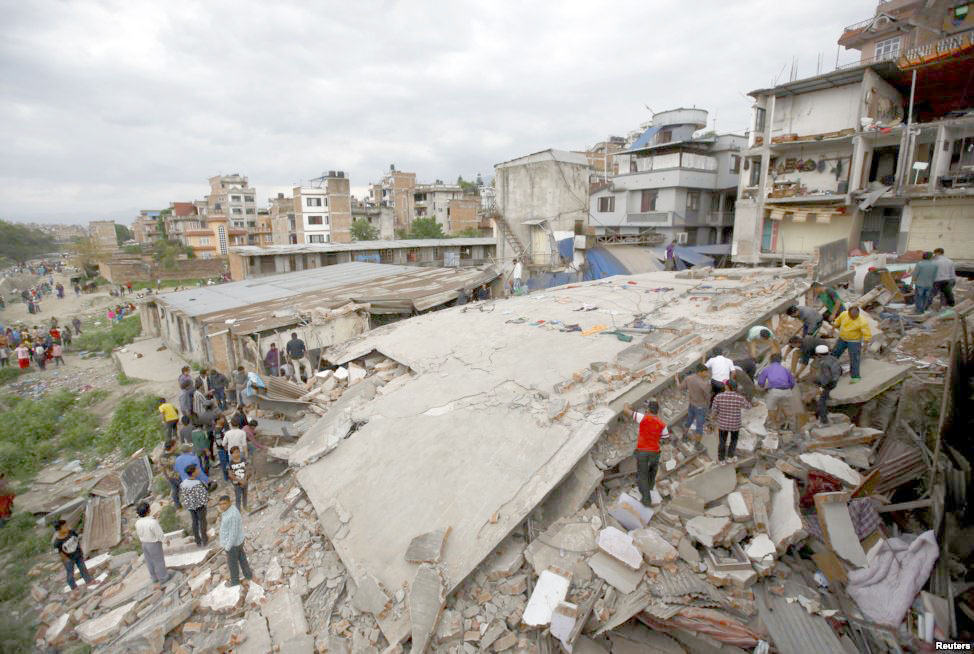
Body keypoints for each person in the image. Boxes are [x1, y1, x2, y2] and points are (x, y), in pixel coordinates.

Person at [622, 400, 669, 507]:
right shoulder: (662, 425)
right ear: (657, 412)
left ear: (648, 410)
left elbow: (626, 410)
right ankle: (650, 488)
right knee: (652, 472)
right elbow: (666, 439)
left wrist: (627, 405)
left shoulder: (643, 417)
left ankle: (646, 500)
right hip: (655, 453)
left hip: (643, 452)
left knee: (642, 474)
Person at [53, 519, 99, 594]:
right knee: (70, 573)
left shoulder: (71, 532)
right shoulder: (57, 542)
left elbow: (77, 540)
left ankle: (89, 581)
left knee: (83, 568)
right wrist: (66, 559)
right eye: (64, 526)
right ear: (59, 529)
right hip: (68, 559)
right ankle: (74, 587)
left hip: (78, 554)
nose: (67, 527)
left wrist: (80, 550)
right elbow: (60, 553)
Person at [710, 380, 751, 464]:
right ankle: (730, 457)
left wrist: (713, 419)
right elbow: (748, 406)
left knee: (722, 441)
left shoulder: (718, 396)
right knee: (733, 441)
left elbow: (714, 410)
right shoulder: (739, 398)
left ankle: (721, 460)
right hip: (735, 425)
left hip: (722, 424)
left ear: (727, 387)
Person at [217, 494, 253, 587]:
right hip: (238, 542)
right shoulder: (229, 510)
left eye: (224, 503)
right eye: (220, 504)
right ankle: (248, 575)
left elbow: (233, 533)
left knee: (232, 564)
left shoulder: (232, 515)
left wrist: (228, 547)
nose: (222, 506)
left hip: (233, 544)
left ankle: (235, 582)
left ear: (229, 502)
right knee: (242, 559)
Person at [134, 502, 170, 589]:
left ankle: (154, 577)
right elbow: (159, 534)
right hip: (153, 543)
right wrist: (165, 541)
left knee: (149, 561)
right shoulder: (152, 522)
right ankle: (163, 577)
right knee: (159, 560)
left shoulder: (137, 522)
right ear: (148, 511)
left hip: (144, 543)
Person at [756, 353, 796, 430]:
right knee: (788, 409)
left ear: (770, 360)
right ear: (780, 360)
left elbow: (761, 382)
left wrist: (764, 388)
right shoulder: (785, 369)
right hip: (787, 391)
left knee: (771, 408)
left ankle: (774, 427)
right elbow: (792, 383)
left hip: (774, 391)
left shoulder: (767, 369)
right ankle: (793, 428)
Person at [833, 306, 871, 383]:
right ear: (849, 313)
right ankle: (831, 371)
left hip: (854, 341)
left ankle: (855, 376)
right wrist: (832, 329)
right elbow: (837, 322)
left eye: (855, 317)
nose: (854, 318)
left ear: (858, 314)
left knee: (854, 358)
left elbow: (867, 334)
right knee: (834, 354)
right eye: (852, 316)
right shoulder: (844, 314)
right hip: (842, 338)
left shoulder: (862, 321)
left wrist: (865, 345)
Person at [675, 365, 710, 443]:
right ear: (700, 372)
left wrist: (677, 379)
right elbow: (707, 397)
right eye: (705, 372)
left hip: (691, 405)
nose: (707, 373)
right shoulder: (705, 383)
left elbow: (680, 387)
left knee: (689, 421)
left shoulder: (688, 378)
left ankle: (684, 437)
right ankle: (697, 444)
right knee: (699, 427)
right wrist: (707, 406)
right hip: (700, 407)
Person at [179, 464, 209, 547]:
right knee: (203, 522)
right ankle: (205, 540)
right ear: (193, 473)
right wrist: (207, 501)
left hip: (191, 506)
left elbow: (184, 495)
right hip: (200, 505)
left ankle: (198, 541)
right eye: (197, 470)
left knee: (194, 522)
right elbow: (203, 495)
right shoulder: (197, 483)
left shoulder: (183, 483)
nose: (198, 471)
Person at [812, 344, 843, 426]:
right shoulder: (833, 358)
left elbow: (827, 378)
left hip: (830, 384)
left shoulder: (824, 363)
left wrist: (822, 388)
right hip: (836, 379)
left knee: (821, 402)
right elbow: (840, 370)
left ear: (818, 354)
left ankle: (824, 421)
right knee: (816, 381)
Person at [159, 440, 181, 508]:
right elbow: (172, 465)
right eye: (175, 445)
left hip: (169, 476)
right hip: (176, 475)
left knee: (175, 490)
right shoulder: (172, 456)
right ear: (171, 447)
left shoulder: (162, 456)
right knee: (180, 488)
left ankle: (177, 505)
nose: (176, 446)